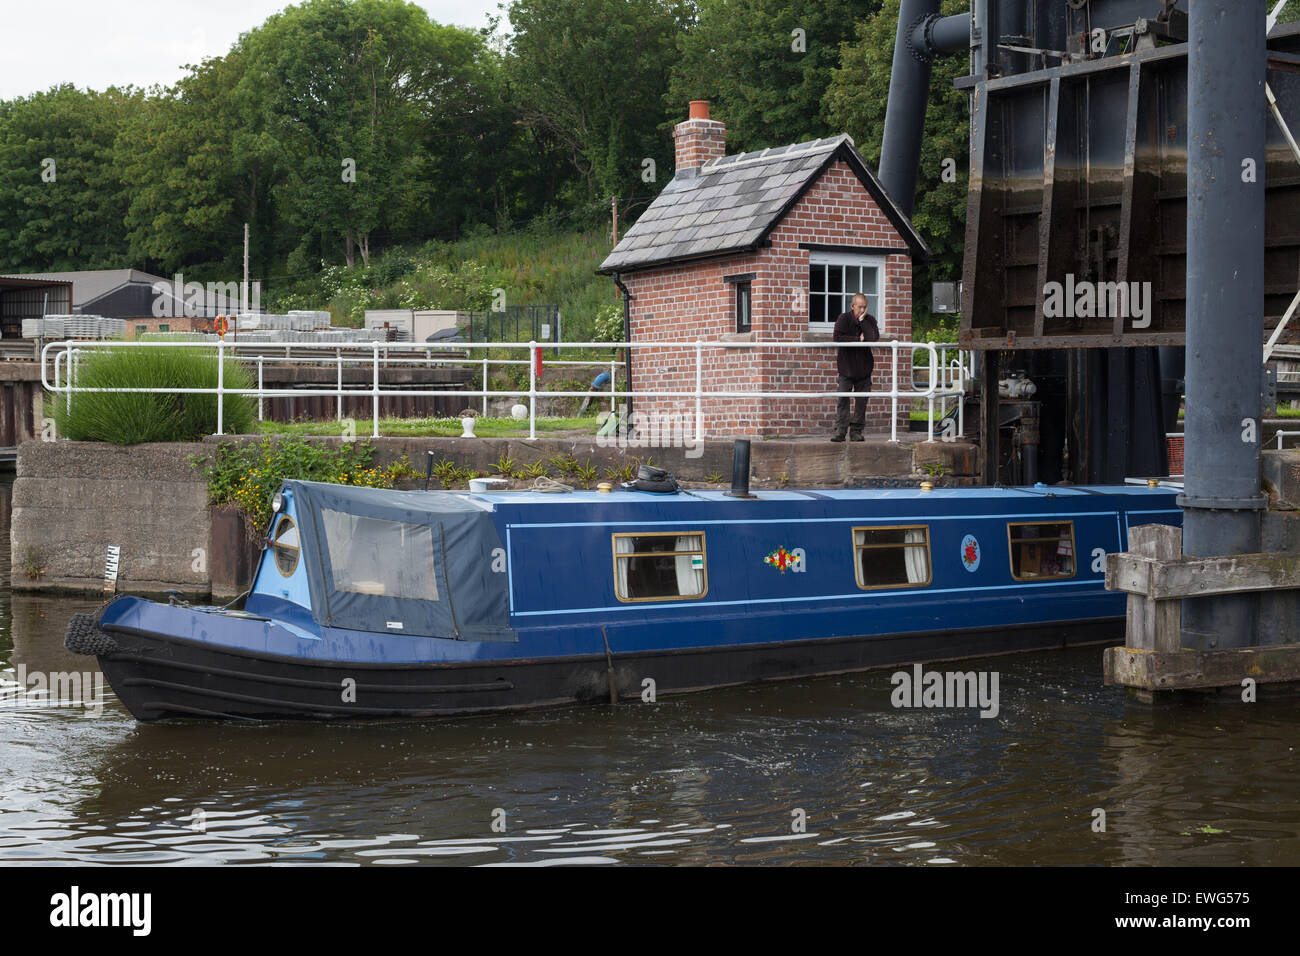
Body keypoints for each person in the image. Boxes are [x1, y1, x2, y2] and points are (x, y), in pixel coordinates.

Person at [831, 293, 879, 442]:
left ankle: (856, 431)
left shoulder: (869, 320)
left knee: (861, 402)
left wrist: (862, 320)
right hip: (846, 367)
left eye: (865, 307)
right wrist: (857, 339)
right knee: (843, 400)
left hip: (864, 368)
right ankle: (840, 431)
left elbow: (873, 337)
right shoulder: (843, 319)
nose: (862, 309)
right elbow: (837, 337)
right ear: (852, 306)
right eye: (860, 307)